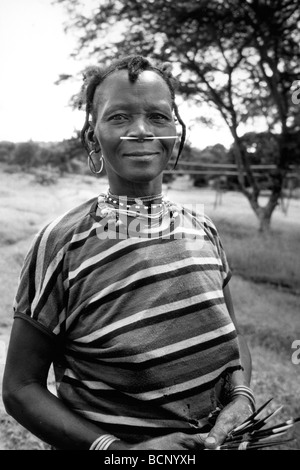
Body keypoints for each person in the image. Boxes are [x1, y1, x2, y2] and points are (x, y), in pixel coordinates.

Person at [2, 55, 254, 451]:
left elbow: (233, 337)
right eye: (119, 117)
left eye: (157, 117)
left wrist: (241, 397)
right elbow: (20, 387)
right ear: (93, 136)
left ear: (176, 132)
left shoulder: (203, 228)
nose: (140, 130)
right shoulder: (62, 243)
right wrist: (120, 453)